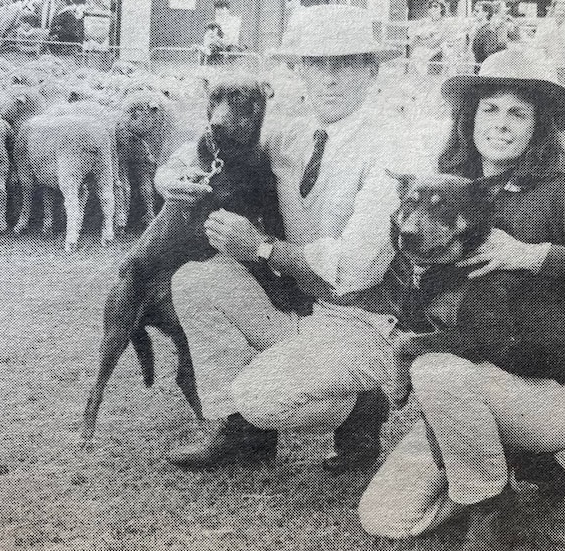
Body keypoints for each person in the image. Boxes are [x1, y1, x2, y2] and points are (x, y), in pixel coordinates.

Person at [357, 49, 565, 551]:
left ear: (539, 126)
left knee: (432, 364)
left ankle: (490, 510)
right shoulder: (443, 189)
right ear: (468, 119)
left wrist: (534, 254)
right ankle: (507, 462)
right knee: (386, 518)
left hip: (543, 395)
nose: (499, 124)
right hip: (462, 392)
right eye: (488, 109)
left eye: (517, 113)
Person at [162, 5, 425, 474]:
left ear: (371, 71)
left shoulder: (392, 144)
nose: (330, 79)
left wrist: (261, 248)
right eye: (317, 65)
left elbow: (356, 268)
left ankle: (360, 409)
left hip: (362, 319)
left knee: (260, 399)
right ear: (300, 71)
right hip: (301, 309)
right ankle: (243, 435)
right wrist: (170, 176)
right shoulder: (294, 132)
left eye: (346, 64)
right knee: (196, 282)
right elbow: (208, 143)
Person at [534, 0, 565, 79]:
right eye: (559, 10)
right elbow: (538, 46)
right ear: (553, 10)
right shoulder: (545, 25)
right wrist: (542, 63)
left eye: (564, 10)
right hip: (548, 67)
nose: (561, 13)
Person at [408, 0, 448, 75]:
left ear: (442, 8)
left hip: (437, 49)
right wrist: (426, 36)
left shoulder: (444, 23)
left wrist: (422, 38)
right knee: (416, 54)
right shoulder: (424, 22)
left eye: (436, 6)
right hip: (422, 48)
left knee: (419, 54)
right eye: (430, 7)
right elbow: (413, 38)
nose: (432, 9)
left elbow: (436, 41)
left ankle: (423, 78)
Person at [470, 1, 502, 69]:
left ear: (486, 13)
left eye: (477, 11)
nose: (474, 13)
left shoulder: (489, 32)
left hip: (484, 73)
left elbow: (490, 58)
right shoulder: (481, 30)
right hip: (478, 71)